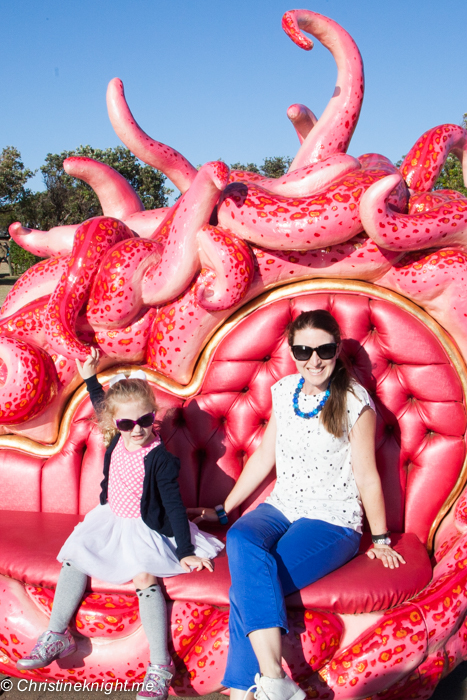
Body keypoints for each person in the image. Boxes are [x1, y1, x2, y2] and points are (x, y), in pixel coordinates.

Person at [189, 309, 406, 700]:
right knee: (240, 536)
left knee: (247, 589)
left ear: (337, 349)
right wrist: (223, 510)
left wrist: (381, 538)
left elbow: (367, 475)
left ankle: (247, 690)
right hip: (283, 506)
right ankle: (274, 680)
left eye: (323, 349)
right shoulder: (286, 390)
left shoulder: (355, 401)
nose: (314, 359)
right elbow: (264, 456)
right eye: (303, 350)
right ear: (292, 351)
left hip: (331, 519)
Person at [17, 348, 224, 700]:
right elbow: (103, 406)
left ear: (152, 416)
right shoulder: (116, 437)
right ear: (115, 425)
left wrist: (186, 551)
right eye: (127, 424)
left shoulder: (160, 459)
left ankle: (160, 665)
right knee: (75, 556)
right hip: (111, 518)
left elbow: (173, 506)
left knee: (145, 576)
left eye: (144, 421)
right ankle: (57, 633)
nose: (137, 429)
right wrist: (89, 377)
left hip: (149, 527)